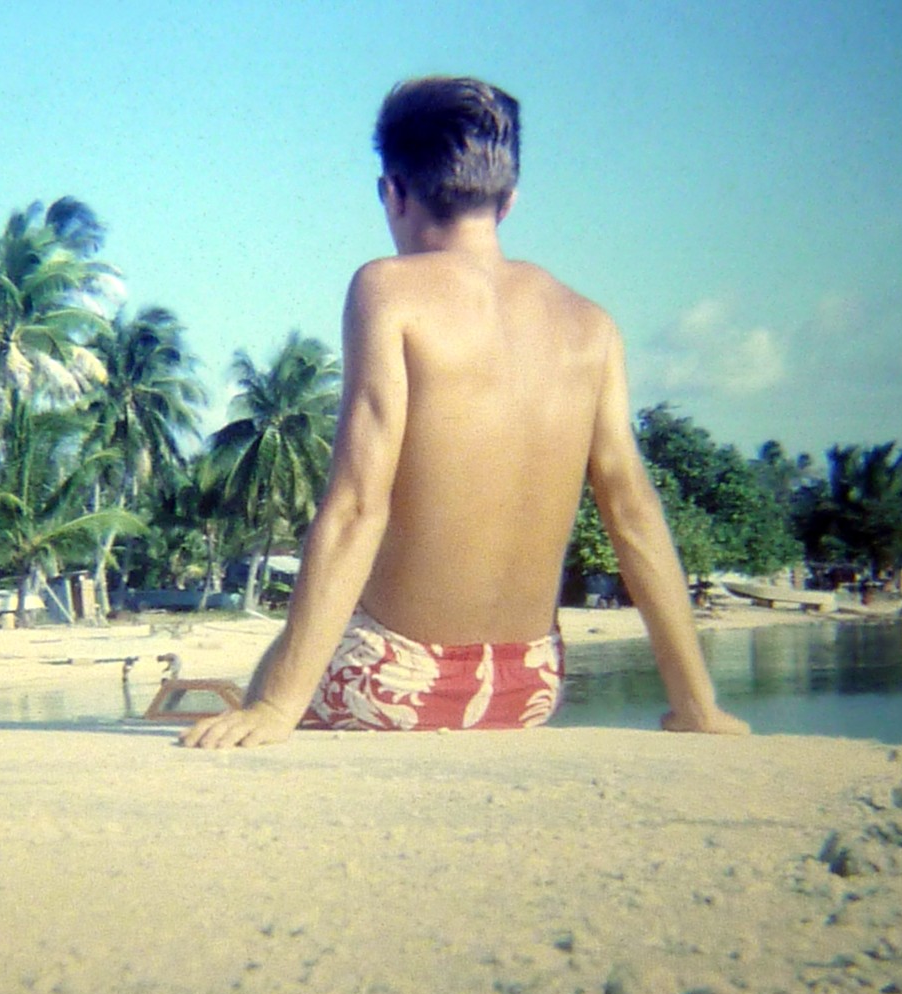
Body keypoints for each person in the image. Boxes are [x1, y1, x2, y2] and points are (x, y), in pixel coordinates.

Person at [182, 76, 749, 749]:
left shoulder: (387, 289)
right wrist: (697, 705)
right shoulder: (591, 323)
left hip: (391, 680)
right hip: (527, 686)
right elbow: (633, 514)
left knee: (271, 671)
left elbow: (358, 506)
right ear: (508, 200)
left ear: (392, 191)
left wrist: (276, 706)